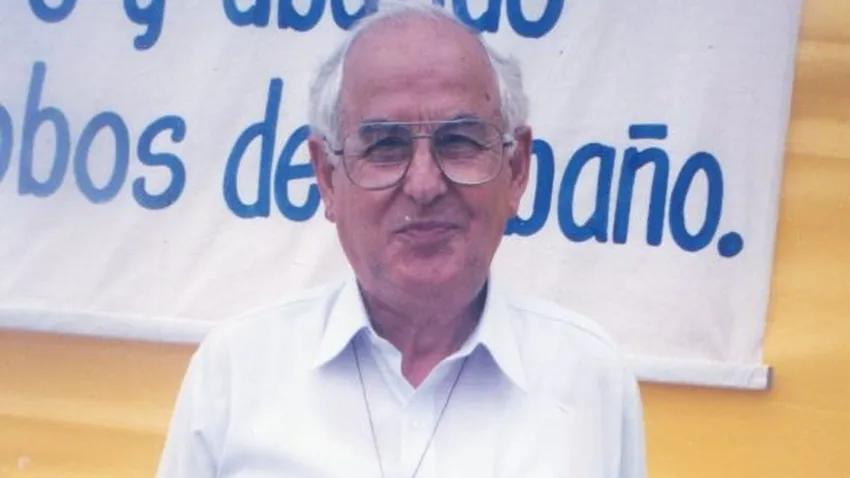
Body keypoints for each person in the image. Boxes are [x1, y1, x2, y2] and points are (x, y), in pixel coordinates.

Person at [156, 1, 647, 477]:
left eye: (459, 141)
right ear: (327, 177)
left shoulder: (590, 379)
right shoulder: (237, 372)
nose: (424, 185)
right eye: (385, 147)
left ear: (516, 169)